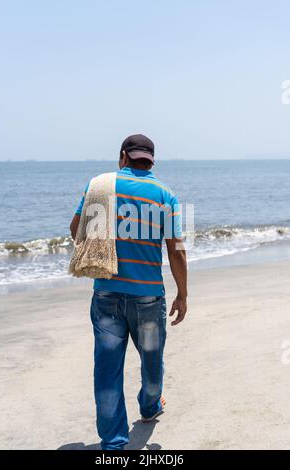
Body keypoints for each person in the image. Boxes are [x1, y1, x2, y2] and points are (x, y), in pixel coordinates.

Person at [70, 134, 187, 450]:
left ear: (123, 156)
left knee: (107, 369)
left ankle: (113, 443)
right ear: (151, 160)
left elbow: (75, 230)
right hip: (149, 298)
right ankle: (150, 406)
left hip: (107, 296)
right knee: (151, 358)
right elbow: (176, 250)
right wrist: (183, 294)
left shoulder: (99, 185)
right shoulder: (165, 195)